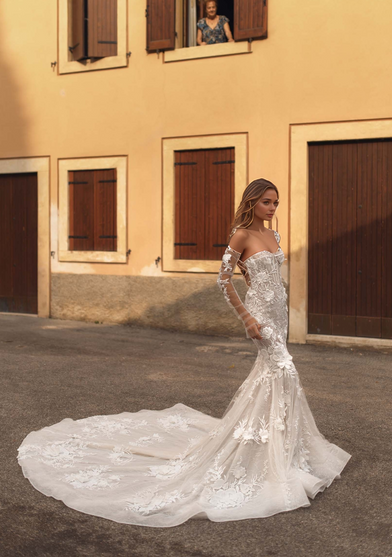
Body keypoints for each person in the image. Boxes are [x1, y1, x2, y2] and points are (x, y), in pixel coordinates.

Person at [17, 179, 351, 526]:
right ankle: (270, 454)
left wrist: (269, 295)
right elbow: (223, 280)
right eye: (266, 202)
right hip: (260, 317)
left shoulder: (273, 235)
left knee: (274, 376)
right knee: (283, 370)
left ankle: (279, 447)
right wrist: (248, 318)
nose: (272, 208)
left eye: (276, 203)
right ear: (252, 203)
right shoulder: (241, 235)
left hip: (277, 310)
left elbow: (263, 276)